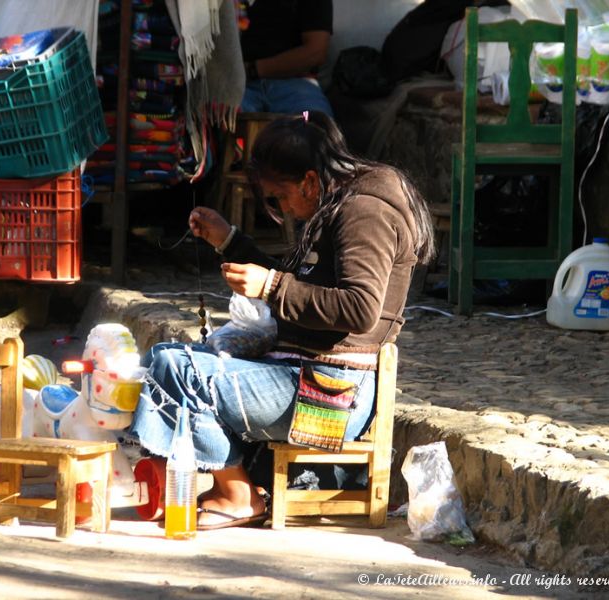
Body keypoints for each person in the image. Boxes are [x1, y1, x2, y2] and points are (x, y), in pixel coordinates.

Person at [126, 111, 435, 529]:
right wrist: (231, 242)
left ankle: (237, 496)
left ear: (309, 180)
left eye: (280, 196)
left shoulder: (365, 212)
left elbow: (359, 308)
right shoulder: (338, 203)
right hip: (301, 376)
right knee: (165, 355)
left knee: (178, 370)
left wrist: (271, 286)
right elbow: (302, 284)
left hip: (331, 395)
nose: (283, 208)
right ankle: (226, 485)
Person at [239, 0, 334, 116]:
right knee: (220, 124)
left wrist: (252, 70)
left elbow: (316, 51)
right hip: (242, 86)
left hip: (298, 85)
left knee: (313, 126)